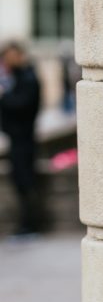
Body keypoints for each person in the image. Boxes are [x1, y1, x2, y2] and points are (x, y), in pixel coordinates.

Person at [0, 41, 43, 236]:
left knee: (26, 183)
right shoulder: (15, 78)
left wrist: (3, 96)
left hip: (24, 141)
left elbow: (21, 105)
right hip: (17, 139)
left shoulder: (28, 78)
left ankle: (30, 225)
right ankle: (26, 224)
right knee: (20, 182)